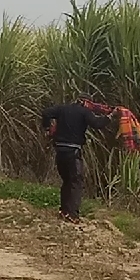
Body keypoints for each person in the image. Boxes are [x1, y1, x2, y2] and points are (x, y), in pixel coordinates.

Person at [41, 92, 116, 223]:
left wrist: (47, 128)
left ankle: (64, 211)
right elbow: (97, 124)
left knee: (67, 181)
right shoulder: (84, 112)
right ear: (87, 102)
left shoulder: (62, 109)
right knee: (76, 181)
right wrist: (110, 116)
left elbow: (46, 112)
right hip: (73, 151)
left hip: (60, 150)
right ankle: (72, 215)